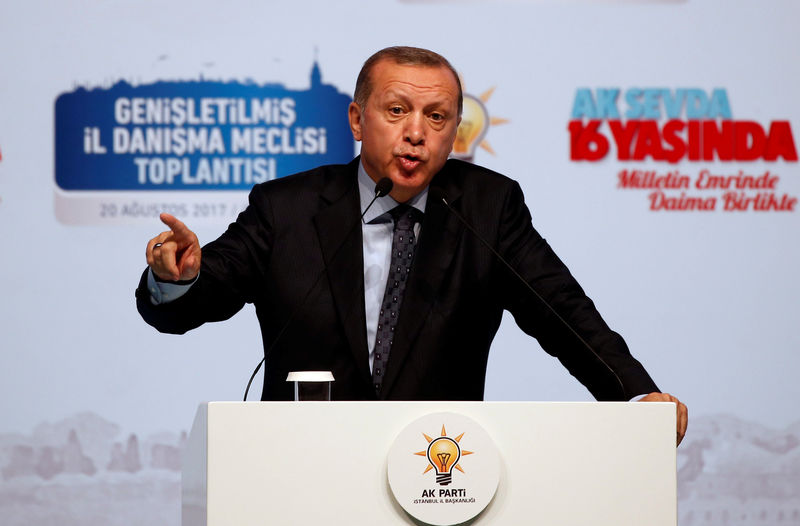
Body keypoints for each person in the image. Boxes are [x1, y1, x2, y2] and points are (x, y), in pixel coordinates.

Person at [136, 46, 687, 444]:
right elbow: (204, 295)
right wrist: (178, 279)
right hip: (302, 467)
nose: (417, 132)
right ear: (357, 119)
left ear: (454, 134)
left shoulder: (488, 209)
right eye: (397, 110)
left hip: (438, 474)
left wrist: (636, 398)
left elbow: (562, 313)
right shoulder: (288, 208)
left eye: (437, 117)